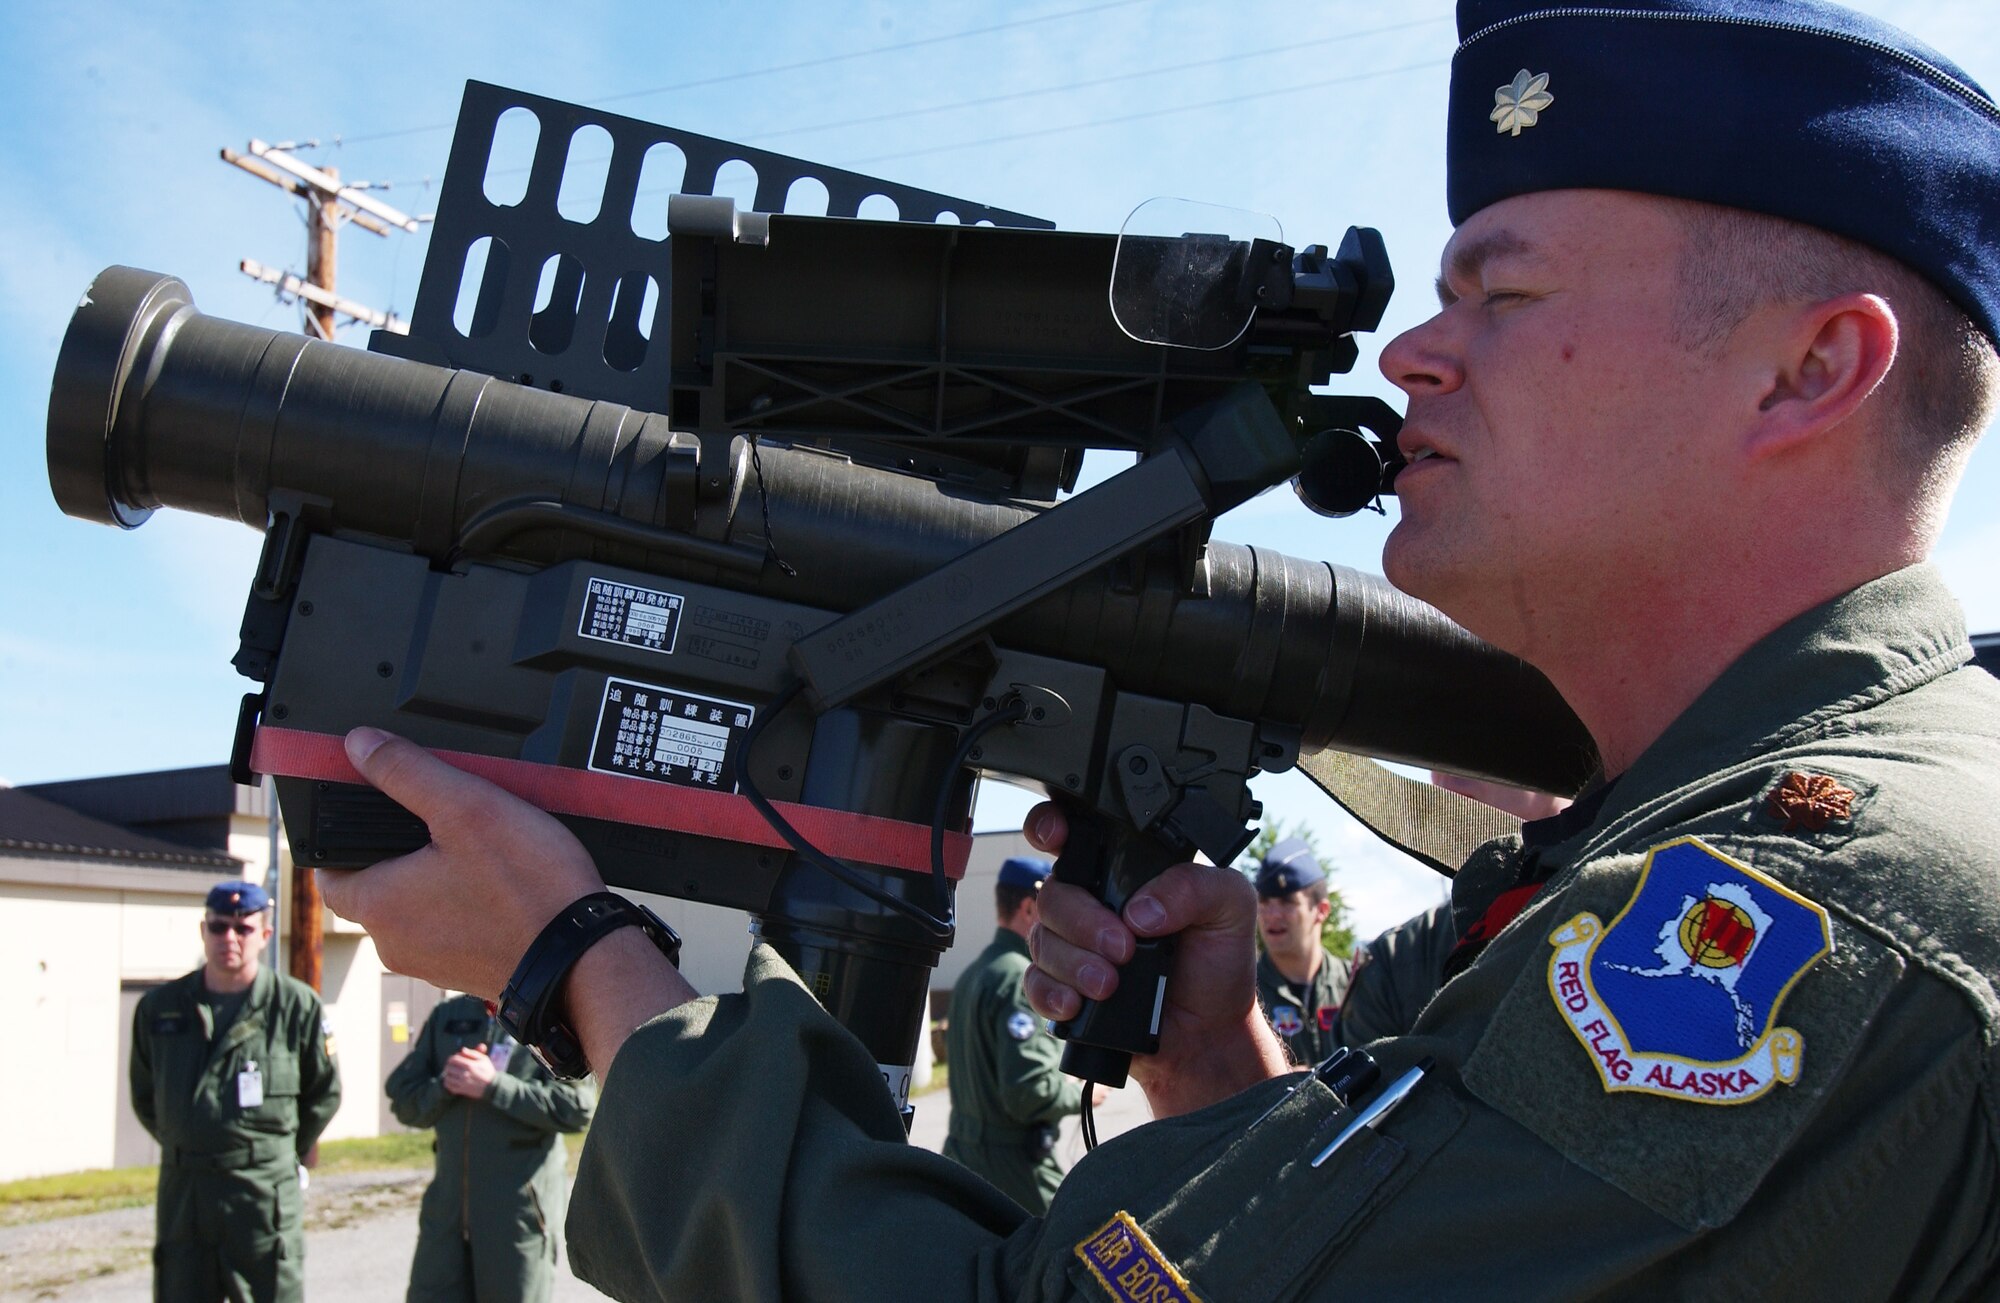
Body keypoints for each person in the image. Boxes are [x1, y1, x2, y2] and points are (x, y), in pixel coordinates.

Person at [318, 0, 2000, 1294]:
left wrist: (598, 968)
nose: (1415, 349)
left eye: (1507, 291)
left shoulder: (1812, 936)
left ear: (1809, 371)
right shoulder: (1659, 852)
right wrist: (1223, 1081)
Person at [129, 880, 342, 1303]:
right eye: (219, 926)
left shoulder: (295, 1007)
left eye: (243, 929)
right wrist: (194, 1139)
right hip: (185, 1193)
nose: (229, 938)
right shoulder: (160, 1008)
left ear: (264, 936)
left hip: (261, 1195)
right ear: (203, 931)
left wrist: (274, 1152)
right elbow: (146, 1096)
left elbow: (324, 1093)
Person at [385, 994, 595, 1303]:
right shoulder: (448, 1015)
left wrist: (494, 1086)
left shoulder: (547, 1019)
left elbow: (577, 1109)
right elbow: (403, 1100)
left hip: (515, 1219)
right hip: (446, 1217)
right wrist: (444, 1085)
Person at [941, 856, 1102, 1212]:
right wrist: (1081, 1094)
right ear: (1030, 909)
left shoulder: (977, 971)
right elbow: (1026, 1092)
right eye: (1055, 913)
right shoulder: (1020, 979)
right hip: (1012, 1171)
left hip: (963, 1161)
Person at [1250, 839, 1350, 1065]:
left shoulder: (1356, 983)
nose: (1272, 915)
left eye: (1287, 902)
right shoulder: (1245, 994)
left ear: (1321, 910)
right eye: (1264, 901)